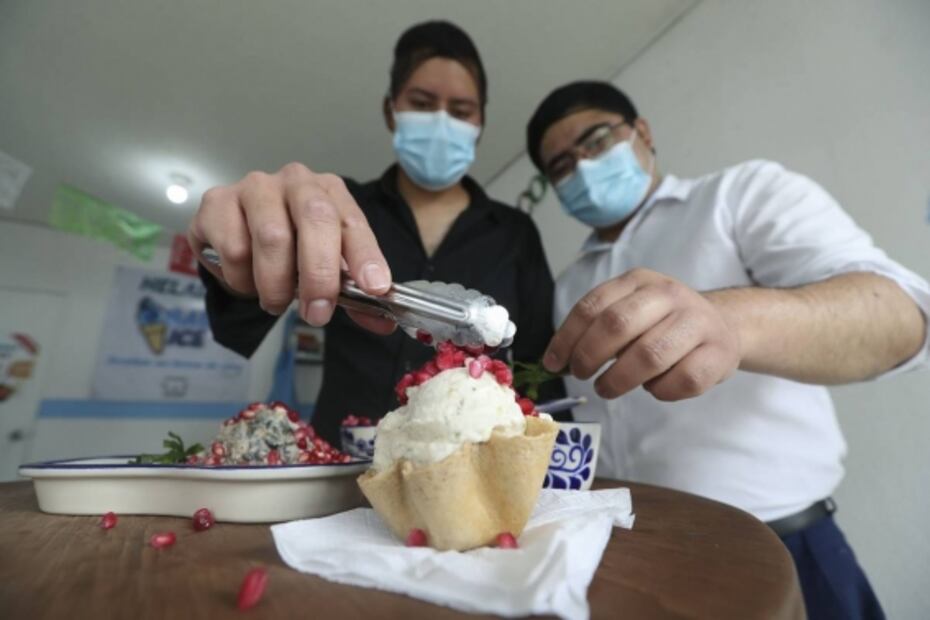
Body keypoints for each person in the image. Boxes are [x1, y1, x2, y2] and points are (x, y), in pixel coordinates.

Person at [525, 81, 929, 618]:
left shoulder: (739, 197)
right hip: (640, 560)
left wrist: (730, 321)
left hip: (786, 548)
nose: (582, 169)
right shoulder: (568, 285)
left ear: (641, 132)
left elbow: (900, 315)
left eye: (596, 141)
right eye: (561, 167)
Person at [188, 21, 564, 445]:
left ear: (480, 122)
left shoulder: (515, 233)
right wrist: (239, 243)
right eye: (422, 103)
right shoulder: (336, 207)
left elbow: (540, 371)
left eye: (460, 111)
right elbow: (238, 317)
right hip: (338, 461)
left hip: (466, 471)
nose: (442, 122)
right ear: (391, 111)